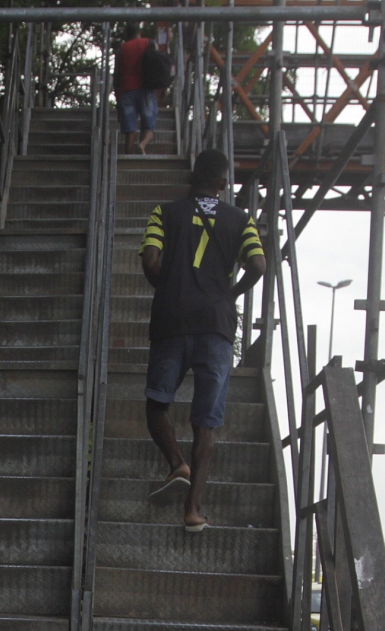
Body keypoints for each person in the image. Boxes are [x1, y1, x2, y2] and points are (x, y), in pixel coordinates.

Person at [139, 149, 266, 532]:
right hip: (217, 326)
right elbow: (258, 265)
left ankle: (177, 462)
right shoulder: (241, 220)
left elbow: (149, 259)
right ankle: (193, 511)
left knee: (157, 404)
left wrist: (169, 287)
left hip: (172, 320)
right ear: (224, 183)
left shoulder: (165, 212)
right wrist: (230, 294)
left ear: (193, 177)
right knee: (206, 423)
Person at [114, 23, 156, 155]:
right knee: (149, 125)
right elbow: (159, 65)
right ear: (140, 32)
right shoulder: (149, 43)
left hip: (127, 91)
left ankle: (128, 156)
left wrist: (118, 98)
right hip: (146, 89)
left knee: (130, 129)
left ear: (127, 35)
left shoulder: (122, 49)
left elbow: (116, 75)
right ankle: (142, 144)